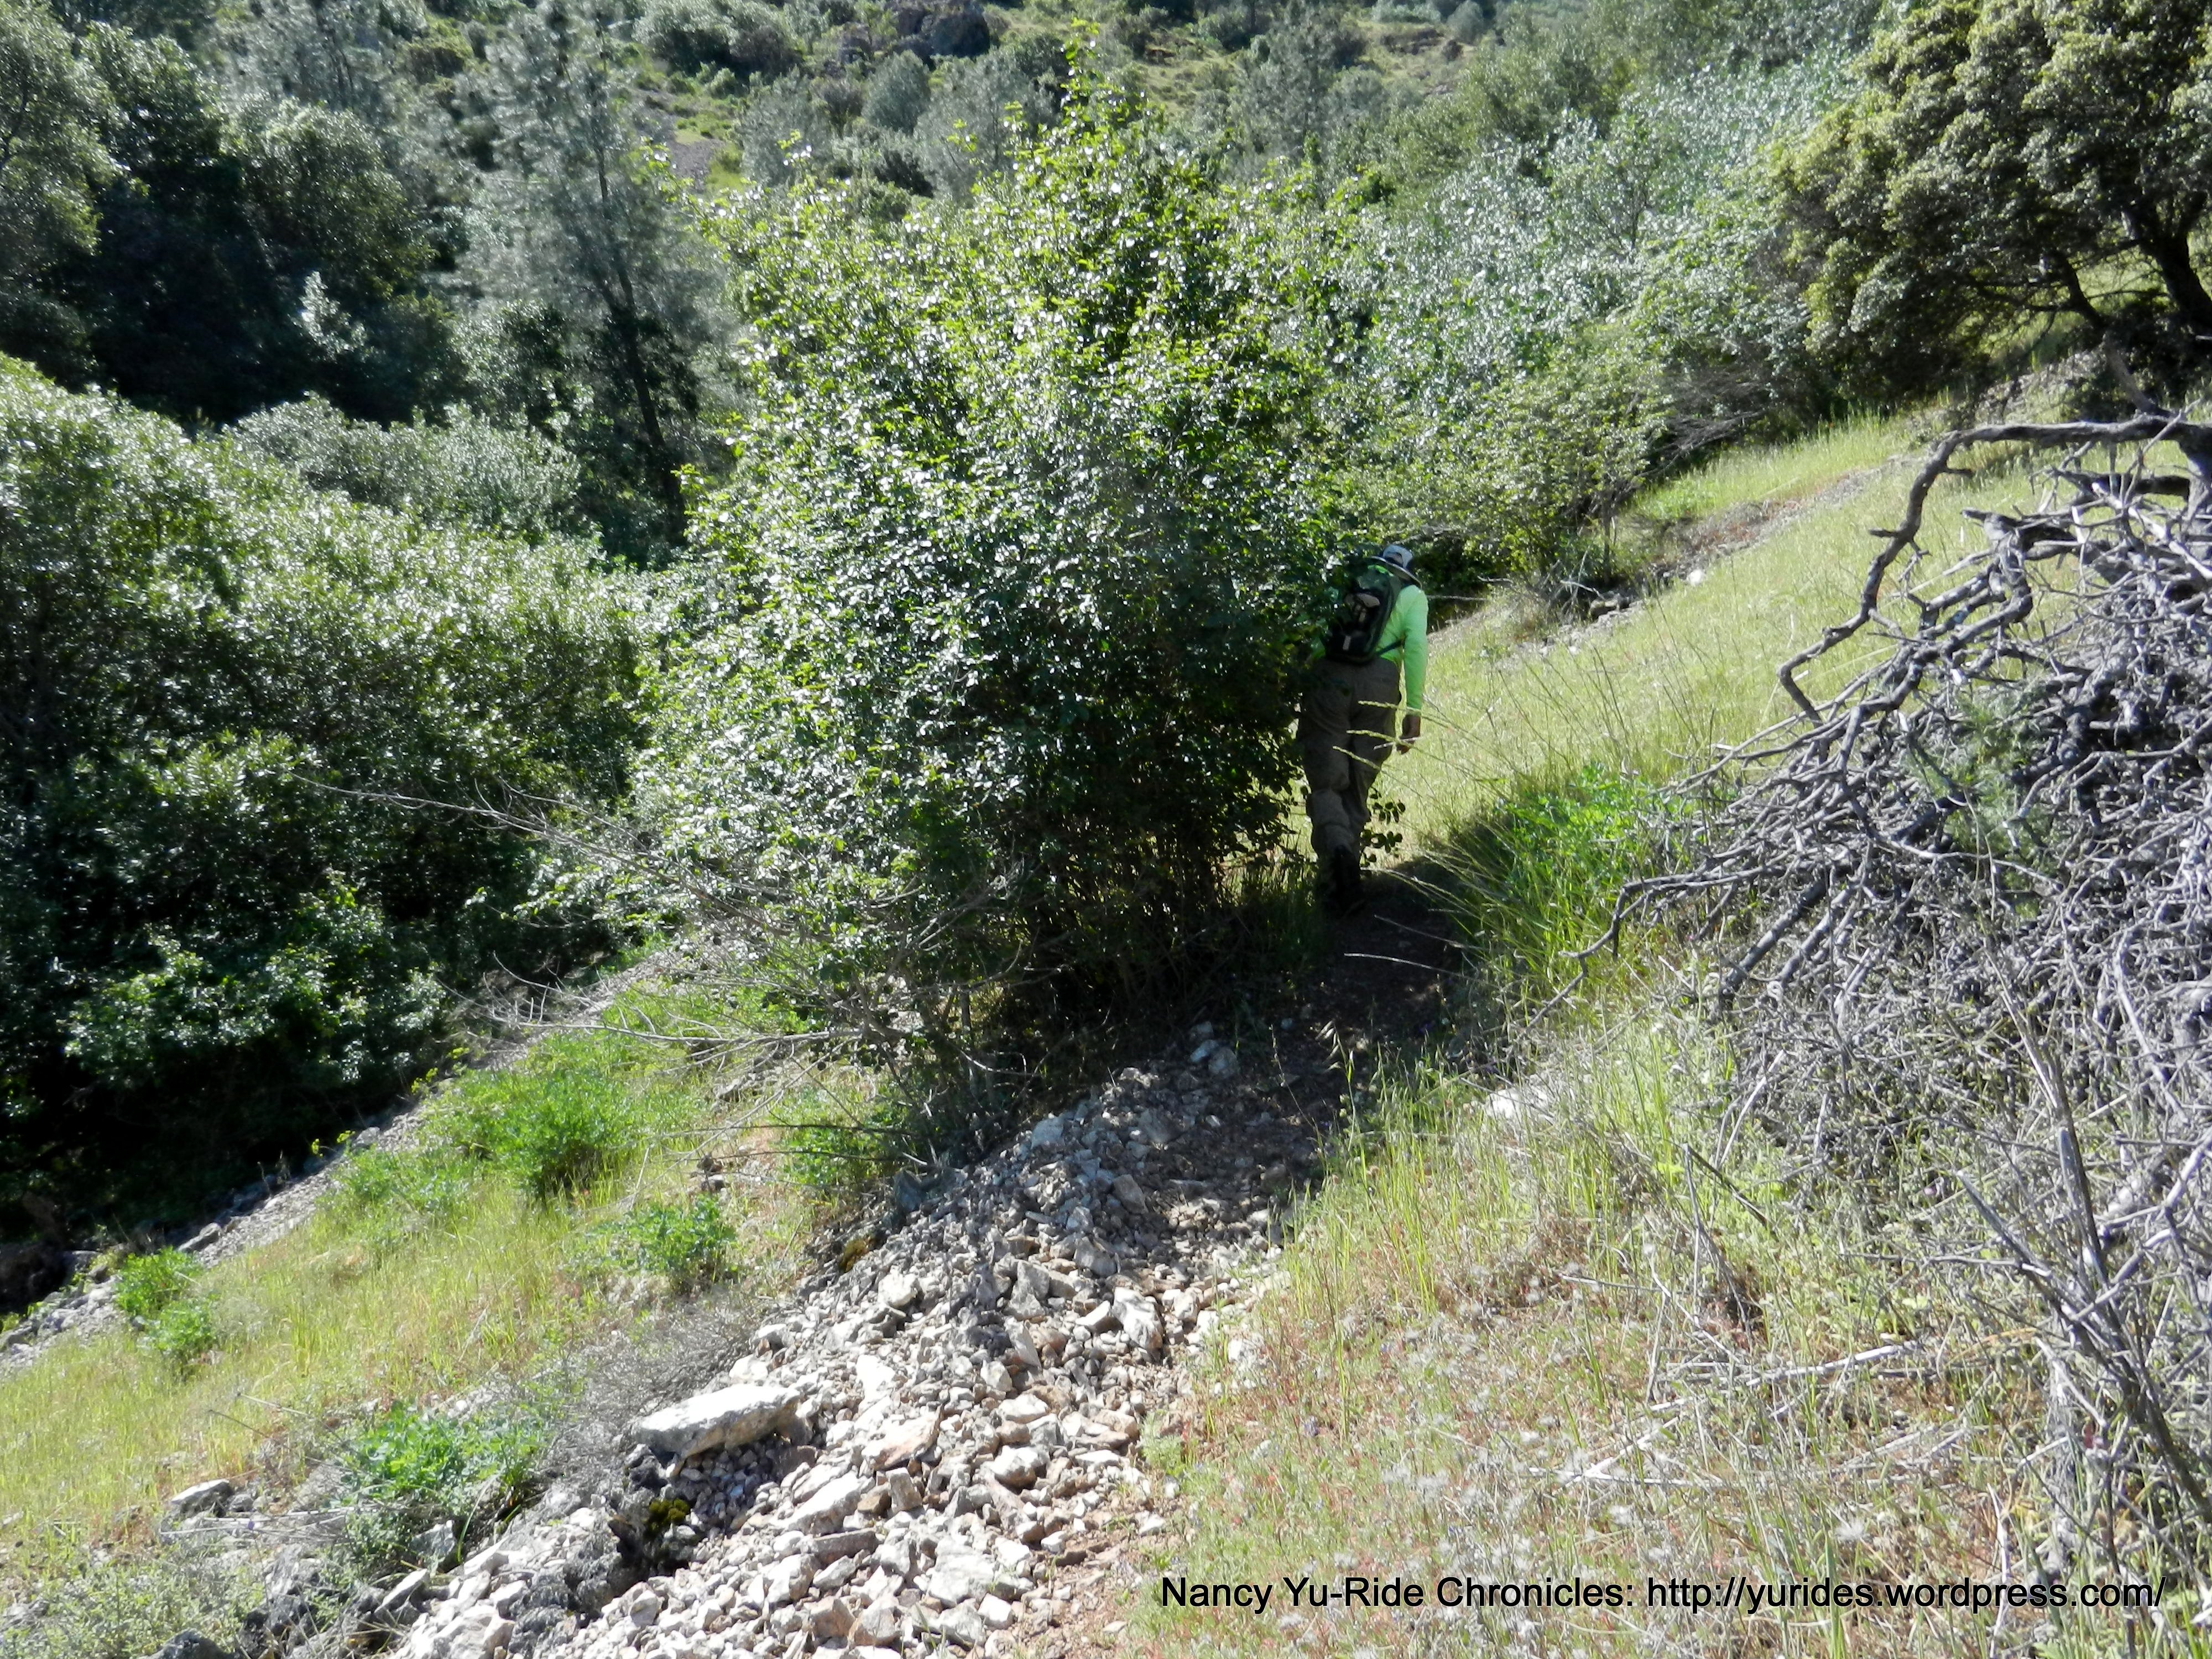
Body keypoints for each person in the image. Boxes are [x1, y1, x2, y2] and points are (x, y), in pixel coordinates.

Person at [1298, 542, 1427, 913]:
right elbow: (1417, 647)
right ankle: (1348, 882)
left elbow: (1313, 631)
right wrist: (1414, 710)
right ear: (1408, 570)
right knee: (1358, 783)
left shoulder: (1347, 581)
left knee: (1326, 782)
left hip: (1329, 679)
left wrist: (1301, 677)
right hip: (1380, 685)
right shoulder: (1413, 595)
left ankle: (1337, 857)